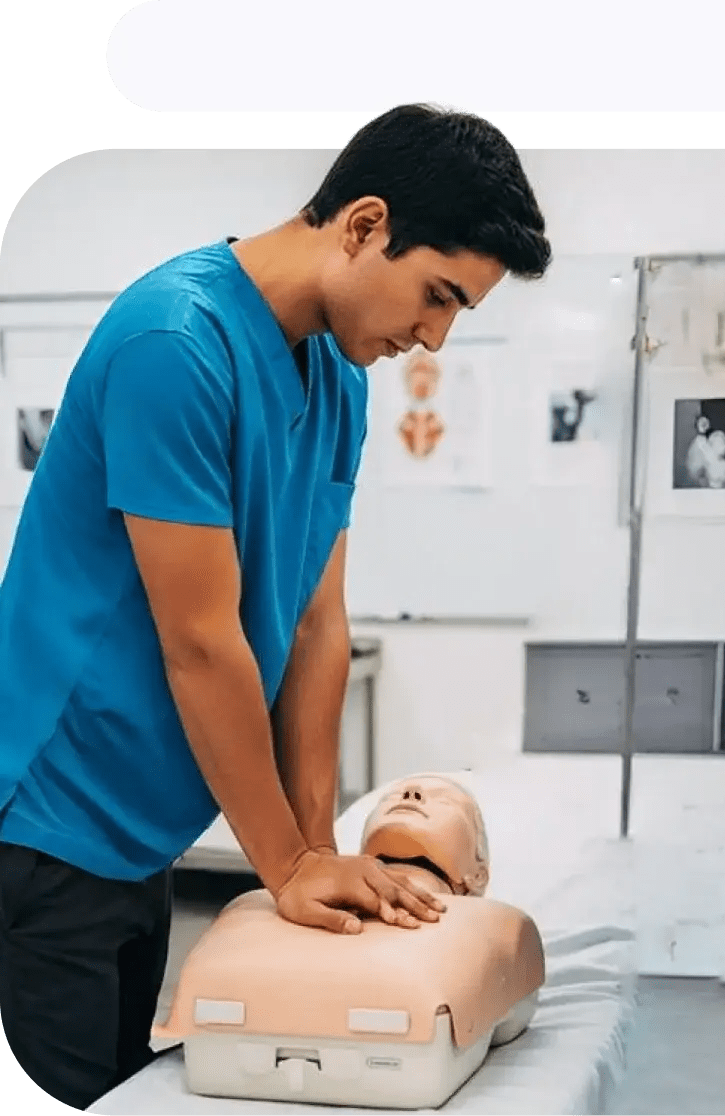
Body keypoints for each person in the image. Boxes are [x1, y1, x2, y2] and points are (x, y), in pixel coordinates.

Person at [0, 104, 552, 1111]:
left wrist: (317, 852)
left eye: (457, 311)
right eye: (436, 294)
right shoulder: (175, 343)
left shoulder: (339, 378)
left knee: (129, 1085)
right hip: (46, 819)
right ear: (361, 225)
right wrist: (284, 864)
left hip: (142, 828)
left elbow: (314, 626)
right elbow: (202, 646)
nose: (433, 335)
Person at [157, 774, 545, 1108]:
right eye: (393, 796)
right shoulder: (253, 905)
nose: (409, 797)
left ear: (479, 875)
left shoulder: (498, 924)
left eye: (443, 801)